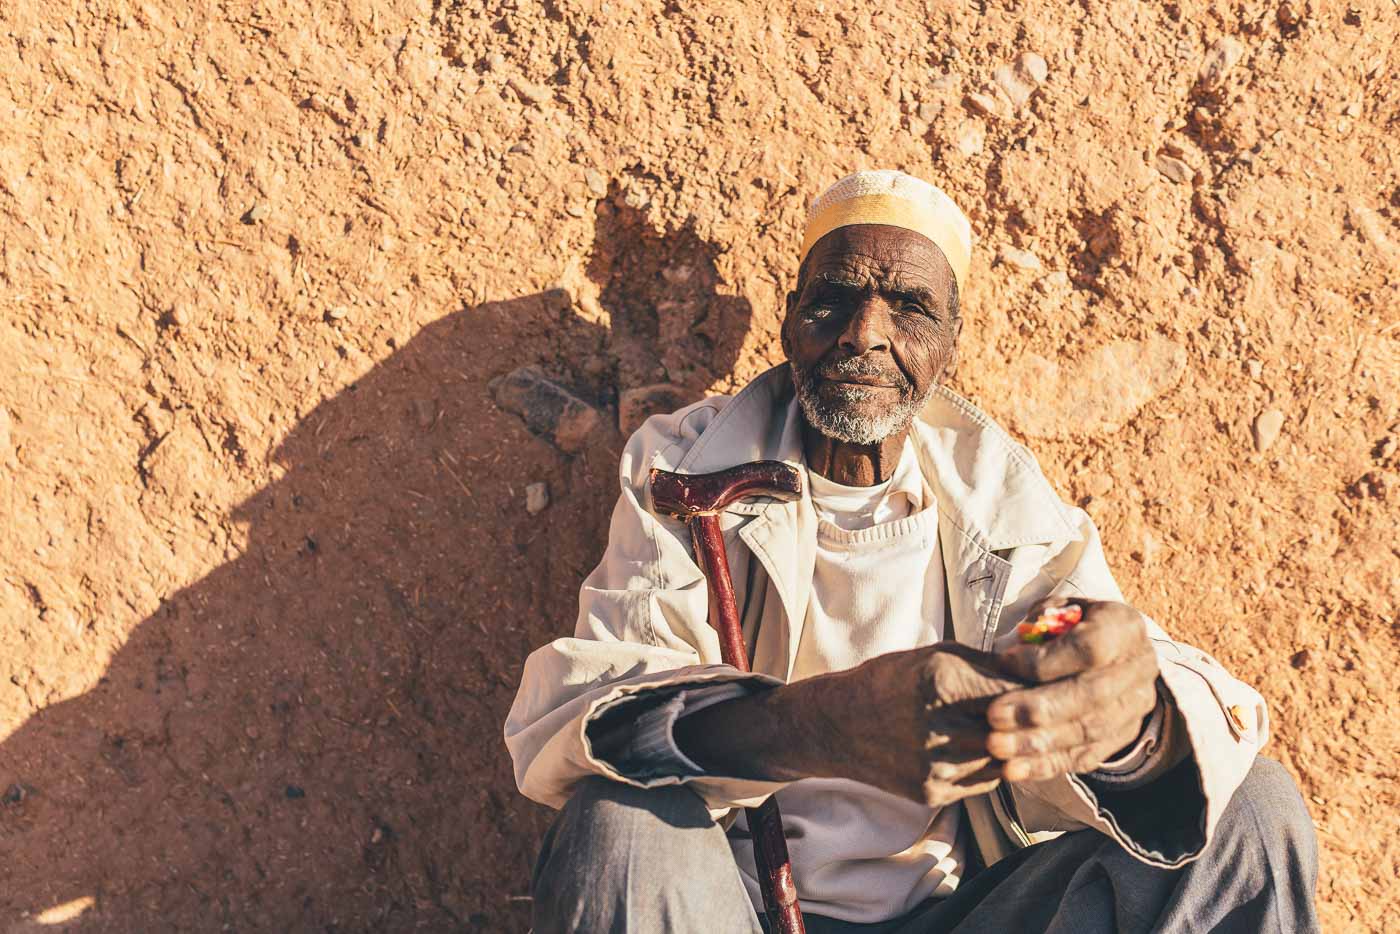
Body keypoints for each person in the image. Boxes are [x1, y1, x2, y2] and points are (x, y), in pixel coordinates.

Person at [504, 170, 1318, 933]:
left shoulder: (992, 499)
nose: (866, 334)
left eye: (909, 309)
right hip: (729, 904)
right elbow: (586, 707)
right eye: (835, 301)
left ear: (951, 341)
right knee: (621, 825)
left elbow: (1055, 636)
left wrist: (1124, 719)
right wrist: (817, 727)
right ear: (791, 319)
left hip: (965, 911)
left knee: (1254, 814)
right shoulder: (688, 468)